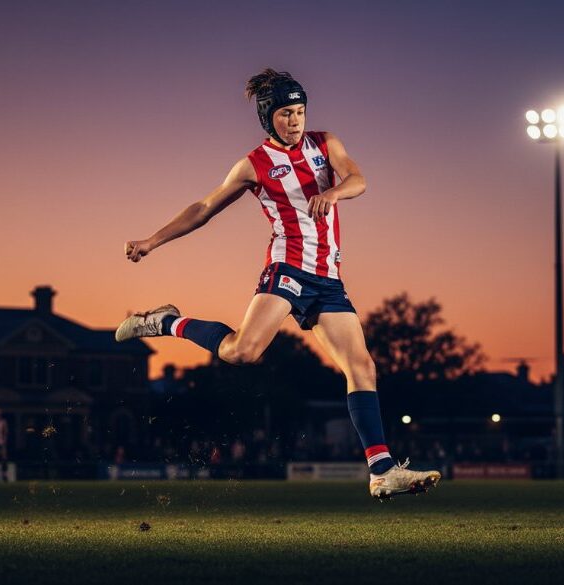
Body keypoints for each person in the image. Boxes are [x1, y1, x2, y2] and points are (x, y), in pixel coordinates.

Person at [115, 68, 440, 499]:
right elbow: (204, 207)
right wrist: (152, 241)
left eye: (301, 111)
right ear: (269, 118)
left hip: (327, 280)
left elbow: (359, 180)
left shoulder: (327, 144)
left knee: (362, 367)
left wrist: (334, 193)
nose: (296, 120)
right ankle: (164, 323)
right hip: (287, 268)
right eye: (286, 113)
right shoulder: (254, 164)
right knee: (242, 352)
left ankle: (381, 471)